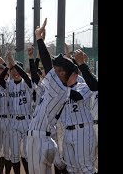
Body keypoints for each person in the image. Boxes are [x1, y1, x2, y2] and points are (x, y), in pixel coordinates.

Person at [26, 18, 78, 174]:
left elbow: (47, 64)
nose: (55, 70)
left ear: (64, 73)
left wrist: (39, 39)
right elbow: (41, 73)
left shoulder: (60, 88)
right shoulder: (56, 88)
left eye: (59, 69)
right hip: (46, 140)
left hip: (39, 140)